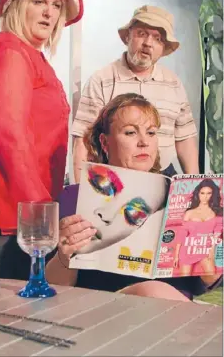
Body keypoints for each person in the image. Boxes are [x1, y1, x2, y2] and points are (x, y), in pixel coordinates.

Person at [0, 0, 84, 279]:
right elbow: (10, 136)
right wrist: (44, 214)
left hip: (23, 215)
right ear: (18, 6)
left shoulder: (30, 56)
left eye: (57, 5)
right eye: (39, 1)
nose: (50, 12)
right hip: (10, 218)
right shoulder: (10, 52)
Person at [46, 93, 219, 301]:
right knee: (154, 292)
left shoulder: (182, 199)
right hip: (105, 313)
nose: (144, 142)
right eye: (130, 132)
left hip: (176, 317)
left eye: (151, 133)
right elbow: (55, 290)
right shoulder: (72, 198)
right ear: (105, 142)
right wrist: (64, 256)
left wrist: (211, 263)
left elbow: (201, 285)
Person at [72, 5, 199, 183]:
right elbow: (83, 141)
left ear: (163, 47)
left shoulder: (174, 84)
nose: (148, 43)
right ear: (128, 36)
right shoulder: (101, 80)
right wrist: (79, 190)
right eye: (142, 34)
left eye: (157, 38)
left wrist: (194, 184)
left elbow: (185, 138)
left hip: (163, 175)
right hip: (113, 179)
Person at [174, 179, 223, 283]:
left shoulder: (217, 212)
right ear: (198, 194)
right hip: (188, 249)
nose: (205, 196)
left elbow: (217, 234)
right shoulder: (189, 213)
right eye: (202, 193)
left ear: (213, 195)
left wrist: (212, 250)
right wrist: (176, 256)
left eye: (209, 193)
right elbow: (182, 235)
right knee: (183, 281)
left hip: (206, 248)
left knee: (212, 277)